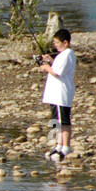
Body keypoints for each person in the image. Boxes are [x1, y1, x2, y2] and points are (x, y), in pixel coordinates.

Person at [37, 28, 75, 162]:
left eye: (57, 42)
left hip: (61, 95)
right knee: (57, 122)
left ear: (65, 42)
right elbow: (58, 68)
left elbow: (57, 72)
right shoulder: (63, 55)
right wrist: (51, 61)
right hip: (55, 95)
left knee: (63, 121)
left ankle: (65, 147)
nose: (55, 45)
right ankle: (59, 146)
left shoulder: (68, 54)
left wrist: (46, 67)